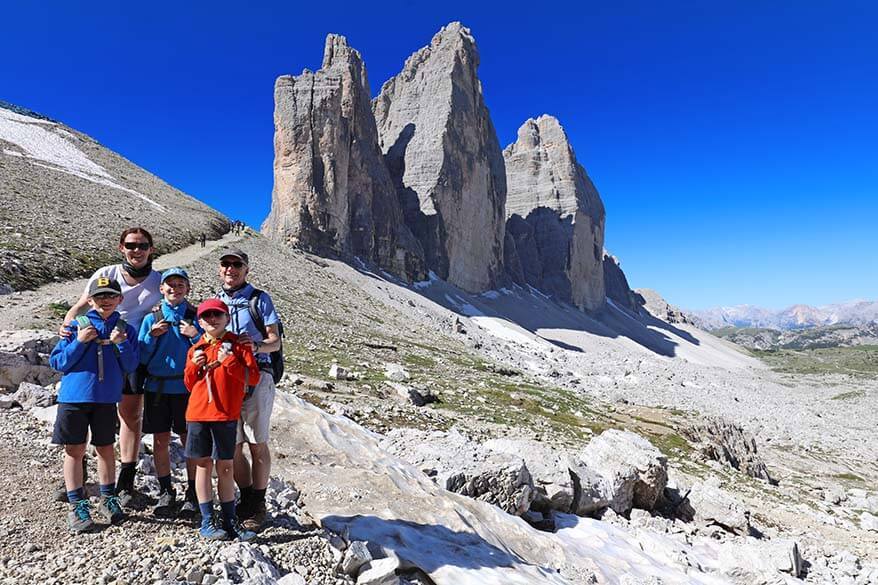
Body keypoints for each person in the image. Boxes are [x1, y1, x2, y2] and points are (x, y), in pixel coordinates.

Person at [61, 227, 162, 505]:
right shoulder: (107, 274)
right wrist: (67, 327)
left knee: (130, 415)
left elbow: (175, 303)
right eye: (131, 245)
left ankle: (126, 479)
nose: (137, 250)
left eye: (143, 245)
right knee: (89, 403)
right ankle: (77, 471)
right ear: (122, 248)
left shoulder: (158, 280)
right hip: (95, 344)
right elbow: (81, 305)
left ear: (151, 249)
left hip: (130, 347)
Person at [50, 278, 139, 533]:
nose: (106, 300)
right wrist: (79, 341)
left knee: (106, 449)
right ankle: (77, 503)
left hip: (105, 399)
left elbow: (132, 366)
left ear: (120, 299)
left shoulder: (125, 329)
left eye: (111, 295)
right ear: (89, 300)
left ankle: (108, 498)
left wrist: (121, 343)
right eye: (100, 296)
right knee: (74, 450)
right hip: (74, 398)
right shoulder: (76, 326)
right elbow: (58, 363)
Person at [215, 249, 281, 531]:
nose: (231, 269)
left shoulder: (259, 300)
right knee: (233, 445)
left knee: (257, 442)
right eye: (226, 264)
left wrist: (255, 346)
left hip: (258, 375)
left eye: (236, 265)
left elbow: (274, 341)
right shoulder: (215, 302)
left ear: (246, 270)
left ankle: (258, 502)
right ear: (220, 270)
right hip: (226, 379)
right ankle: (246, 498)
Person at [183, 299, 260, 541]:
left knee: (225, 466)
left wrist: (230, 363)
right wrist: (194, 368)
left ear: (227, 318)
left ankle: (229, 519)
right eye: (207, 316)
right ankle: (207, 520)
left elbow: (253, 378)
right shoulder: (196, 348)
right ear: (200, 321)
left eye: (217, 315)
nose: (212, 320)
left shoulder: (239, 346)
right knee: (203, 465)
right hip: (198, 414)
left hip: (225, 415)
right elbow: (188, 383)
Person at [138, 267, 201, 517]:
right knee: (160, 440)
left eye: (180, 284)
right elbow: (141, 357)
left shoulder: (196, 317)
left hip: (187, 389)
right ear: (161, 289)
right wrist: (151, 338)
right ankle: (166, 491)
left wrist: (195, 336)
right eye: (170, 284)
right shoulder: (150, 319)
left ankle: (194, 493)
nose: (175, 288)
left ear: (188, 288)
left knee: (189, 441)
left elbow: (208, 351)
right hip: (157, 387)